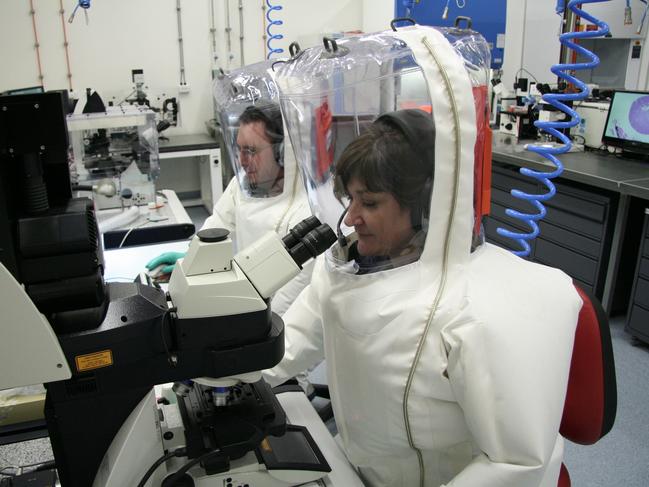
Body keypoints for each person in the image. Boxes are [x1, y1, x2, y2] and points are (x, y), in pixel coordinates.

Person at [264, 109, 581, 486]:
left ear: (423, 206)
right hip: (360, 466)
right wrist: (220, 373)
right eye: (350, 199)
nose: (350, 219)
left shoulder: (477, 309)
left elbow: (516, 461)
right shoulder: (345, 271)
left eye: (369, 203)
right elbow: (293, 343)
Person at [146, 99, 312, 316]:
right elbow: (215, 229)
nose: (242, 161)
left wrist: (253, 324)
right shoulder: (243, 186)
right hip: (240, 297)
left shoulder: (306, 208)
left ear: (282, 153)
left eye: (251, 151)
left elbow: (292, 297)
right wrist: (189, 261)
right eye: (239, 150)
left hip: (277, 323)